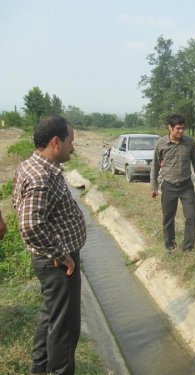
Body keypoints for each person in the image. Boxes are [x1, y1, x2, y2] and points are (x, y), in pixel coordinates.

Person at [12, 116, 86, 375]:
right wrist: (61, 254)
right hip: (58, 264)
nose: (72, 148)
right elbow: (30, 224)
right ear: (56, 142)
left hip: (50, 260)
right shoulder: (42, 176)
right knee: (65, 328)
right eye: (70, 142)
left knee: (50, 316)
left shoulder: (30, 166)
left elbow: (17, 204)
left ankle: (39, 369)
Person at [150, 114, 195, 251]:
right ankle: (170, 247)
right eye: (178, 128)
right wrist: (154, 187)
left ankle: (188, 248)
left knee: (191, 217)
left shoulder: (190, 142)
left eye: (183, 128)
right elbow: (155, 166)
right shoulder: (161, 144)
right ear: (170, 128)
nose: (181, 131)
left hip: (186, 186)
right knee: (168, 219)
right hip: (168, 186)